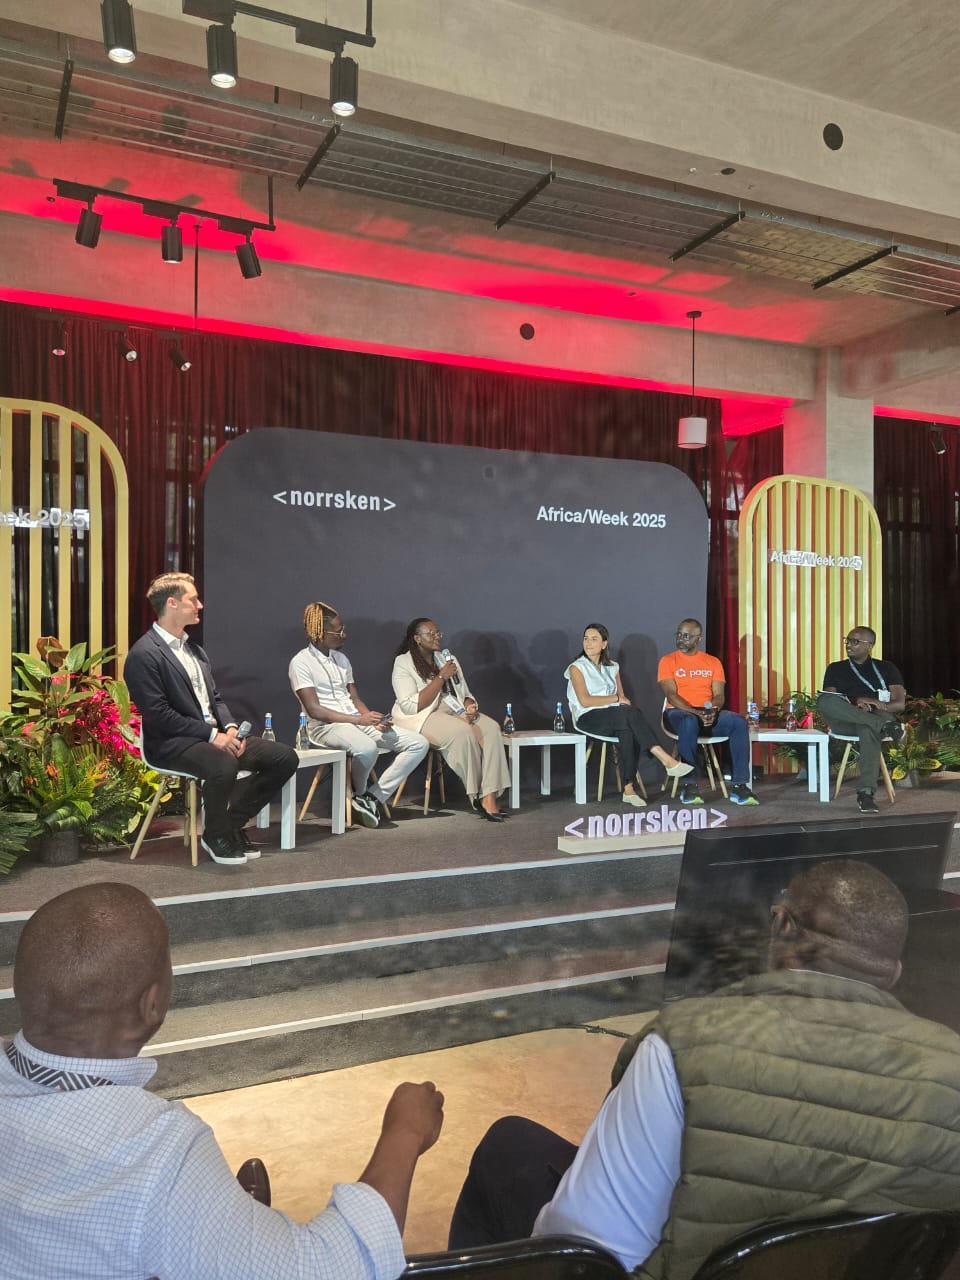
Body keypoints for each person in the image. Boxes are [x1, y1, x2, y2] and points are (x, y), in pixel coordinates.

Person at [448, 860, 960, 1280]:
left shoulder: (682, 1043)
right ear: (893, 970)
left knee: (507, 1146)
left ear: (780, 925)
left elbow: (585, 1252)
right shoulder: (952, 1065)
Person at [0, 882, 444, 1280]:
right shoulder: (157, 1153)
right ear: (151, 1005)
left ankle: (228, 1223)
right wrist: (404, 1132)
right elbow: (330, 1268)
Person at [125, 572, 298, 866]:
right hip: (172, 743)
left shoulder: (195, 650)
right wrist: (212, 736)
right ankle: (215, 836)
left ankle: (230, 825)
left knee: (284, 758)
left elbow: (214, 699)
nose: (200, 605)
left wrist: (229, 728)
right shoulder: (144, 654)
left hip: (212, 737)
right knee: (223, 764)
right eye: (193, 599)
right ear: (172, 603)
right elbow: (159, 714)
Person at [289, 601, 429, 829]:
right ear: (320, 633)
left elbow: (355, 699)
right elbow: (315, 710)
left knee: (418, 744)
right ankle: (360, 794)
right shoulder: (300, 662)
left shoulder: (341, 659)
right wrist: (359, 720)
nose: (344, 635)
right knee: (367, 748)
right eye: (339, 631)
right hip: (324, 727)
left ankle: (371, 798)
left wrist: (372, 719)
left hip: (355, 721)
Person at [391, 619, 511, 822]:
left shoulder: (447, 659)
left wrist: (470, 705)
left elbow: (464, 692)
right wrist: (441, 677)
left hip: (454, 710)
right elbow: (411, 706)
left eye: (438, 633)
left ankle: (489, 795)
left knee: (491, 728)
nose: (437, 637)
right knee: (461, 733)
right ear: (417, 638)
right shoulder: (403, 662)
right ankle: (476, 795)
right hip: (422, 716)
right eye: (431, 634)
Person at [566, 624, 692, 807]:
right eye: (586, 638)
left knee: (627, 728)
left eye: (594, 639)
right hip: (588, 717)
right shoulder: (576, 668)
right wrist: (616, 699)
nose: (588, 643)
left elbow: (623, 698)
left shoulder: (612, 667)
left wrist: (619, 700)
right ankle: (665, 759)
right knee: (630, 714)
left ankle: (629, 789)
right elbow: (585, 701)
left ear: (604, 644)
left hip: (614, 716)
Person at [657, 618, 757, 805]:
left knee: (738, 722)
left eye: (686, 636)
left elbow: (719, 695)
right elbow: (671, 695)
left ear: (699, 638)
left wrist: (713, 710)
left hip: (705, 713)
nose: (680, 639)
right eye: (679, 634)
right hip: (678, 713)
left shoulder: (713, 662)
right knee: (688, 721)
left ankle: (740, 786)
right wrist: (695, 712)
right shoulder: (668, 661)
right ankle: (689, 786)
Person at [817, 625, 906, 814]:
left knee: (867, 728)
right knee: (824, 700)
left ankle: (866, 793)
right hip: (848, 719)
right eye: (847, 640)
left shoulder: (887, 668)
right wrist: (856, 702)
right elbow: (832, 700)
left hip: (876, 714)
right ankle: (885, 726)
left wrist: (872, 705)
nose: (849, 645)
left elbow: (899, 704)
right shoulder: (835, 668)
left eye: (855, 641)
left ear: (869, 646)